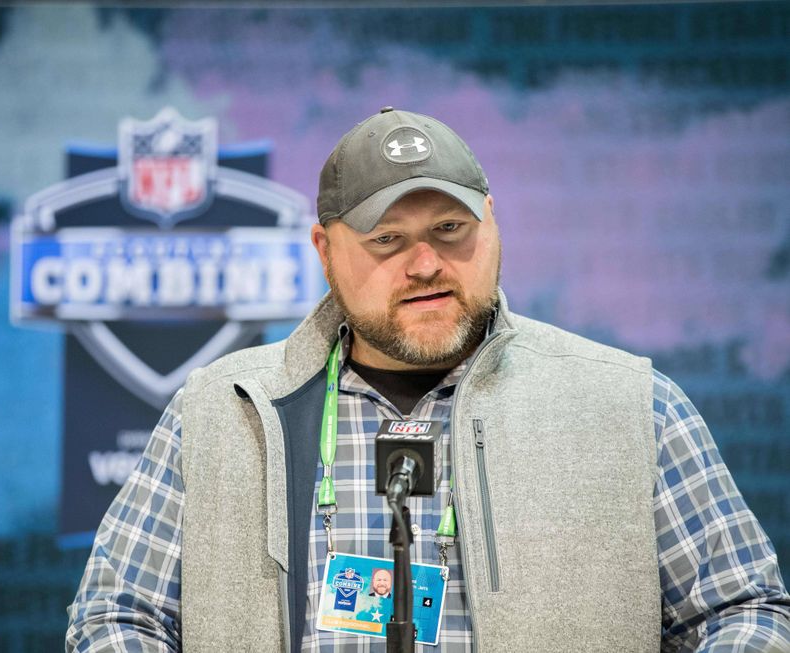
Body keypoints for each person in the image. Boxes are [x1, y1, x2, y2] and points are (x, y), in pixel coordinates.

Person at [66, 108, 790, 652]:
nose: (425, 264)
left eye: (450, 228)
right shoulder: (220, 412)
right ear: (325, 249)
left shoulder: (633, 406)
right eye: (387, 239)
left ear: (493, 222)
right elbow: (116, 616)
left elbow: (744, 609)